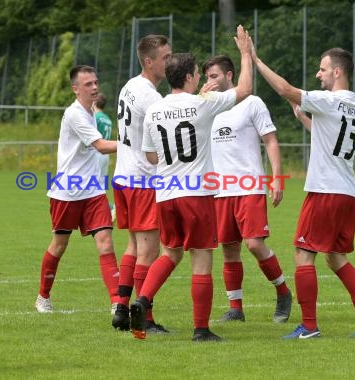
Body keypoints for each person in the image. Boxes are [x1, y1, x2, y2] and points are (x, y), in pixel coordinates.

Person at [248, 39, 355, 339]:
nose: (318, 75)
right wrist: (303, 117)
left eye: (322, 70)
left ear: (338, 71)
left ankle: (309, 326)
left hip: (325, 191)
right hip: (347, 192)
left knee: (302, 253)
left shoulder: (331, 100)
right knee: (335, 257)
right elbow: (329, 135)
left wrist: (256, 61)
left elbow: (285, 89)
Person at [130, 24, 253, 342]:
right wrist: (245, 54)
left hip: (165, 194)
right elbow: (244, 90)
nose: (200, 77)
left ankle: (142, 300)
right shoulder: (203, 104)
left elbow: (151, 156)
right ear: (187, 76)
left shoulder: (155, 110)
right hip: (196, 193)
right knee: (201, 258)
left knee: (169, 254)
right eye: (198, 73)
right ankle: (201, 329)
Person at [202, 55, 292, 323]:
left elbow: (271, 141)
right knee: (229, 250)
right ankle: (236, 308)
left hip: (249, 185)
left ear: (230, 75)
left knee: (254, 244)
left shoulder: (252, 103)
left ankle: (283, 292)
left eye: (214, 76)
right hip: (219, 190)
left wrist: (277, 178)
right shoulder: (207, 107)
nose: (210, 82)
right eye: (207, 77)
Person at [35, 65, 120, 316]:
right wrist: (135, 144)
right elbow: (102, 146)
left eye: (96, 82)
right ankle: (43, 296)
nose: (94, 87)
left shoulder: (91, 110)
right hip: (68, 191)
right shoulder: (74, 114)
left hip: (93, 190)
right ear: (75, 89)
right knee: (59, 245)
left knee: (106, 243)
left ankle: (117, 303)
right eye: (88, 84)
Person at [110, 35, 172, 333]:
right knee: (150, 250)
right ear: (149, 61)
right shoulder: (151, 96)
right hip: (143, 180)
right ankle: (143, 318)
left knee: (134, 245)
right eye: (165, 57)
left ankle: (121, 308)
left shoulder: (129, 86)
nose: (169, 62)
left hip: (123, 177)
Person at [92, 93, 114, 181]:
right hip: (105, 155)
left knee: (92, 184)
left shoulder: (95, 117)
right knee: (101, 183)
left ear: (94, 102)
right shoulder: (107, 118)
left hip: (96, 153)